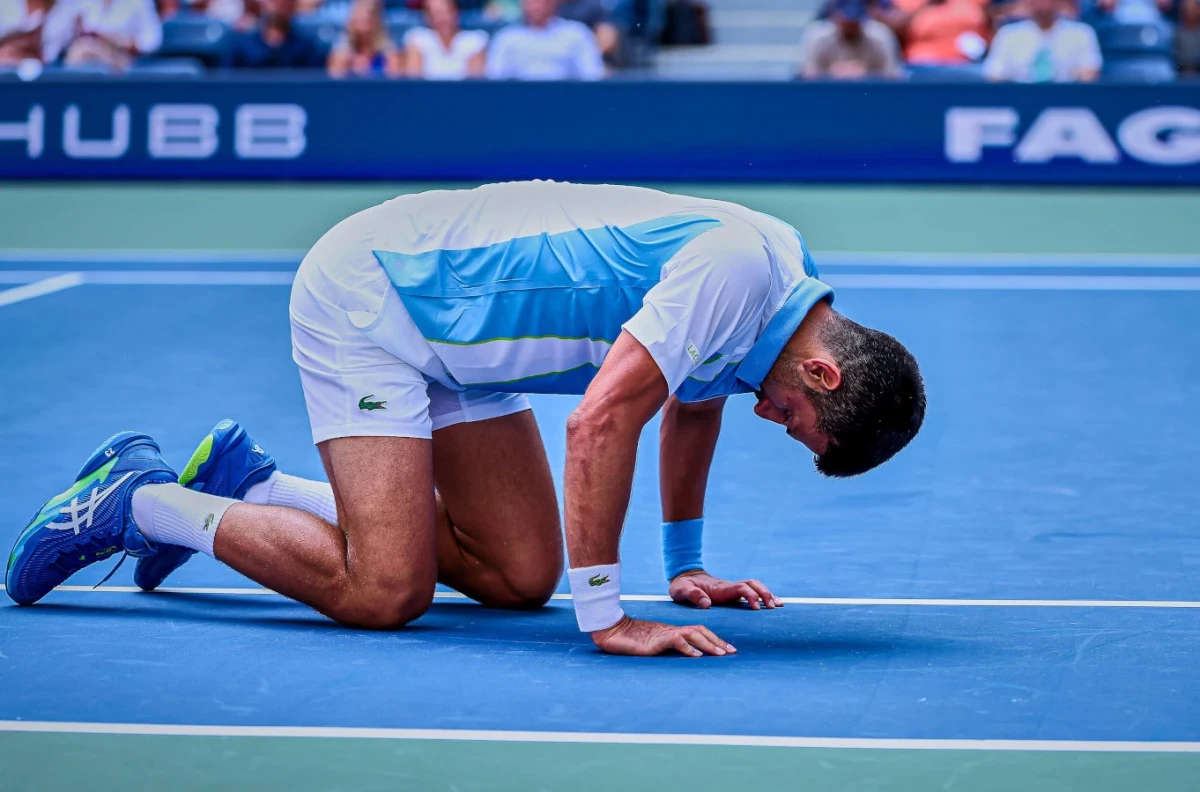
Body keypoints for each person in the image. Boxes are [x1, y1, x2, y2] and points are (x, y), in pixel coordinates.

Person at [6, 182, 926, 659]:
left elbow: (693, 404)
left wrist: (684, 570)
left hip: (471, 347)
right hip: (380, 299)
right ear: (821, 367)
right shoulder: (740, 271)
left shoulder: (779, 288)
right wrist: (608, 617)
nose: (772, 415)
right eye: (795, 417)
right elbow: (601, 424)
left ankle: (251, 486)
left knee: (520, 575)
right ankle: (145, 501)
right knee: (384, 593)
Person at [982, 0, 1102, 81]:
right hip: (1019, 99)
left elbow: (1090, 72)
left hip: (1067, 102)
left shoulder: (1082, 33)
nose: (1043, 3)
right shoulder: (1007, 34)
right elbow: (994, 75)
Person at [486, 0, 604, 79]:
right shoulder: (507, 37)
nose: (536, 6)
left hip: (567, 101)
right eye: (531, 1)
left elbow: (591, 74)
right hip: (518, 102)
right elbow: (496, 77)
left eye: (542, 1)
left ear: (554, 3)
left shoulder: (577, 33)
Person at [41, 0, 163, 72]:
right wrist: (74, 28)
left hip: (121, 59)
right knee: (82, 49)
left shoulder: (139, 2)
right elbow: (54, 35)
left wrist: (119, 41)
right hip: (82, 57)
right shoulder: (78, 3)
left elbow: (152, 40)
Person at [800, 0, 903, 78]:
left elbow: (894, 77)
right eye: (847, 19)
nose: (851, 24)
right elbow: (806, 77)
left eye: (856, 19)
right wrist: (831, 73)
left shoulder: (880, 36)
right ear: (834, 14)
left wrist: (867, 74)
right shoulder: (818, 37)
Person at [404, 0, 488, 79]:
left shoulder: (474, 40)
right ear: (427, 17)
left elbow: (474, 83)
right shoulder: (417, 38)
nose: (441, 19)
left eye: (444, 12)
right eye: (434, 14)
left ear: (456, 12)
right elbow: (414, 81)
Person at [232, 0, 322, 68]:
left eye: (283, 4)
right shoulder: (242, 47)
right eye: (273, 3)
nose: (277, 9)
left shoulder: (306, 46)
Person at [327, 0, 403, 78]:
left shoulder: (388, 49)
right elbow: (335, 80)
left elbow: (395, 79)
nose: (363, 28)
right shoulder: (343, 49)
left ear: (376, 22)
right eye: (358, 22)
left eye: (367, 21)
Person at [904, 0, 990, 65]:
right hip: (923, 64)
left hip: (971, 62)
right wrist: (923, 7)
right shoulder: (912, 5)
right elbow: (897, 28)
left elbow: (992, 20)